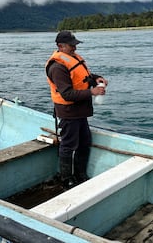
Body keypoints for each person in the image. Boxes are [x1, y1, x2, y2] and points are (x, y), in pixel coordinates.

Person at [46, 30, 107, 189]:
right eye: (71, 46)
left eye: (75, 45)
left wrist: (96, 78)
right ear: (60, 46)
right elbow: (67, 94)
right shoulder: (57, 67)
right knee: (68, 145)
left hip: (80, 112)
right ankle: (66, 179)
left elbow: (82, 76)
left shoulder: (73, 59)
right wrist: (92, 92)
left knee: (84, 143)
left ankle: (80, 175)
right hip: (69, 113)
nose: (75, 48)